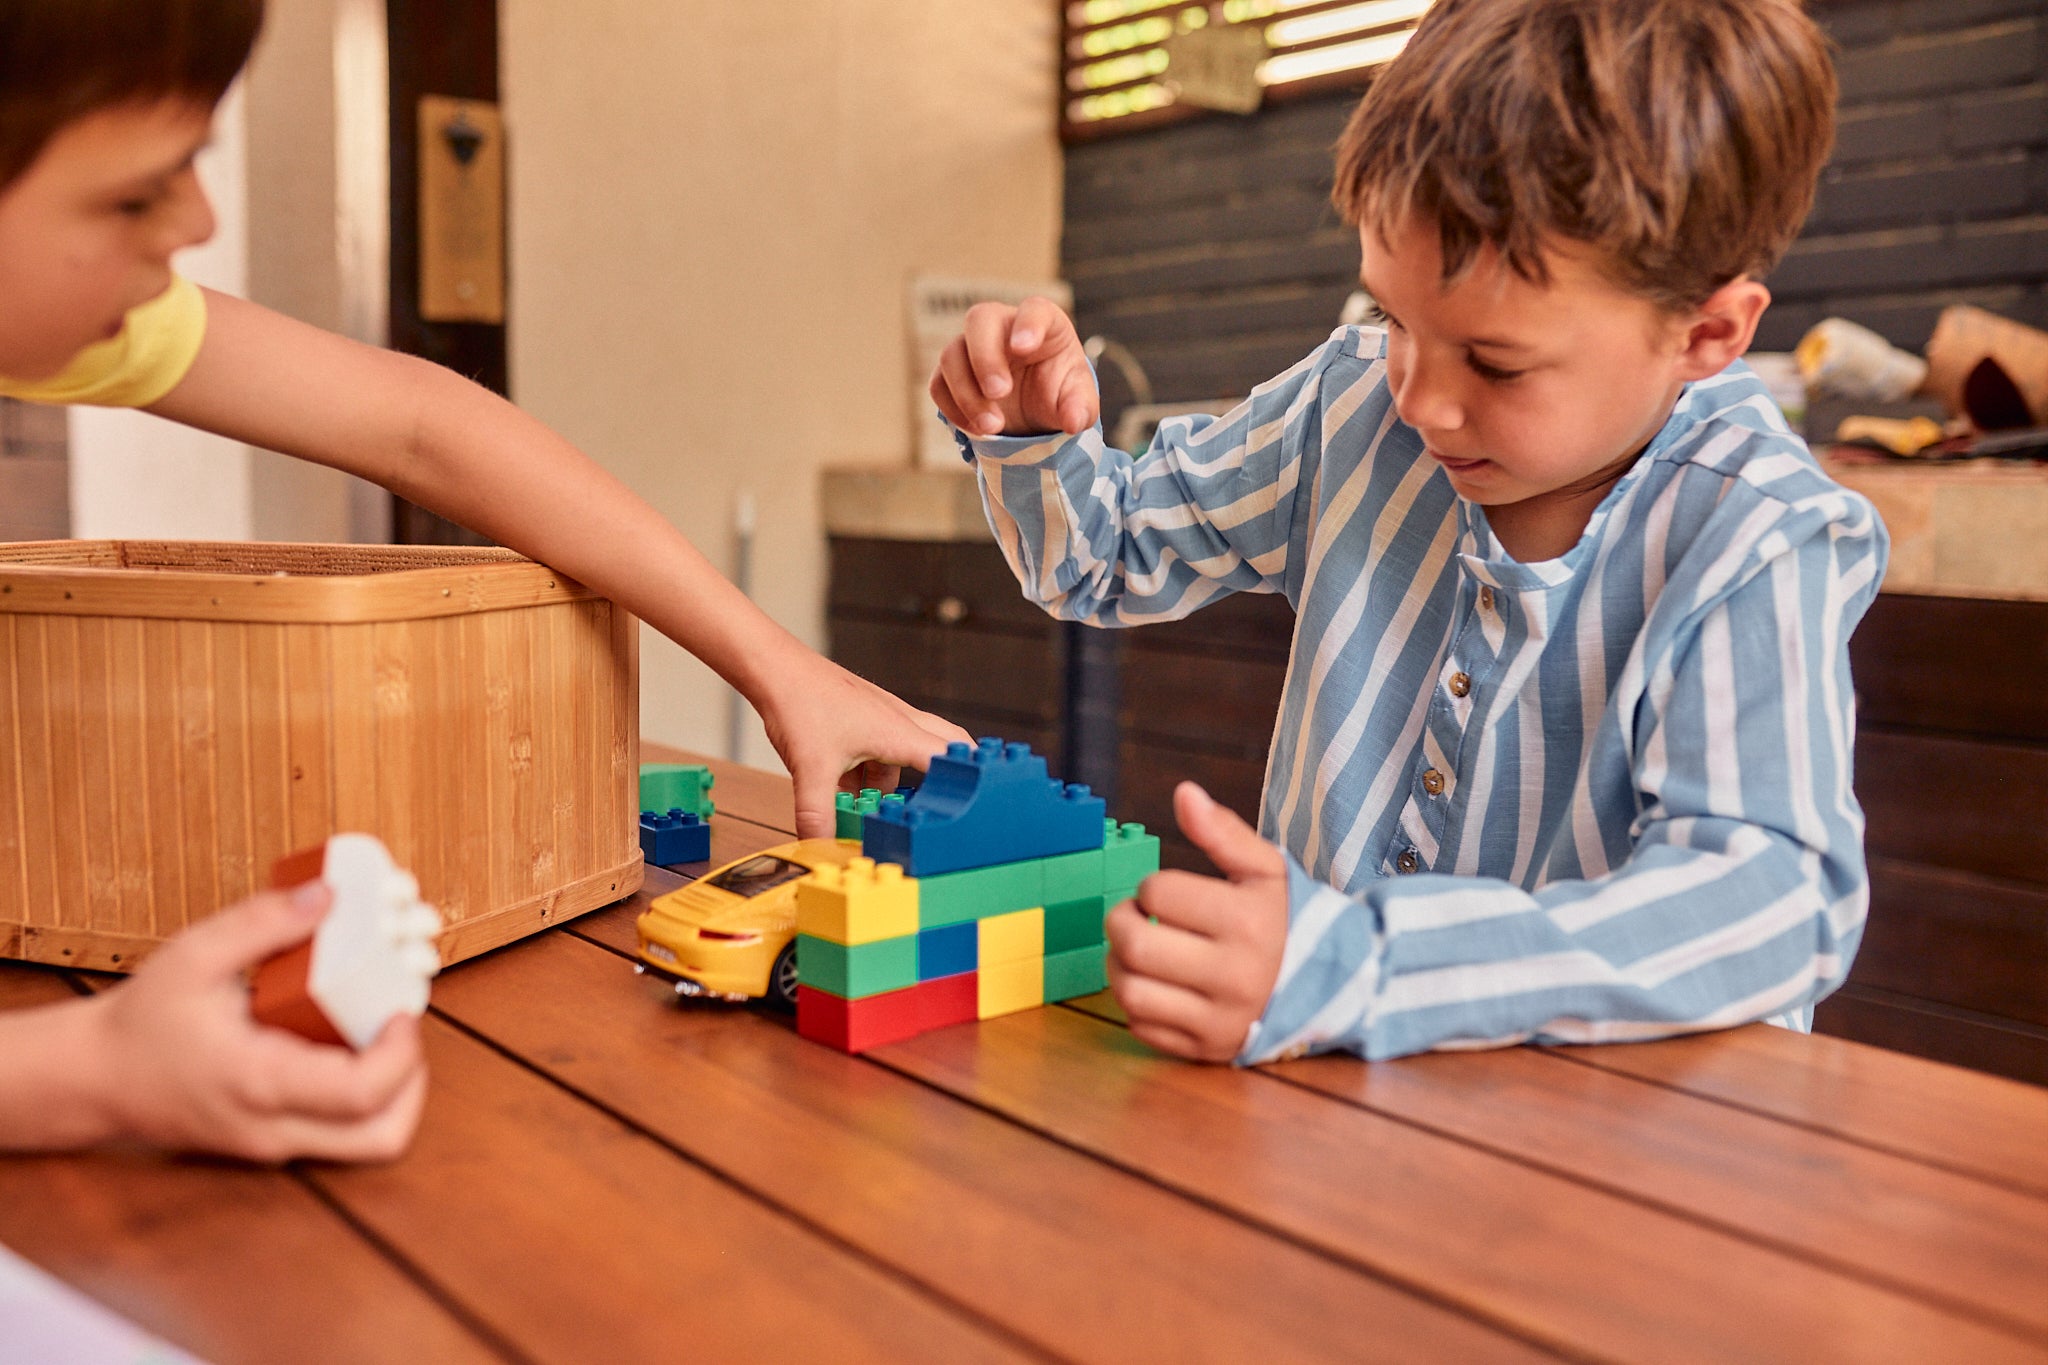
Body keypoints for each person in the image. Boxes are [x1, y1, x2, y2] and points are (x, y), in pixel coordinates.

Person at [0, 0, 965, 1159]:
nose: (197, 222)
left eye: (195, 164)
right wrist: (86, 1073)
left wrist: (781, 667)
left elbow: (425, 427)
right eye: (132, 195)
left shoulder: (94, 311)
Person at [931, 0, 1887, 1065]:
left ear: (1704, 333)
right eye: (1389, 317)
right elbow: (1097, 560)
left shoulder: (1751, 527)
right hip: (1328, 1140)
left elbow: (1772, 901)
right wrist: (1028, 438)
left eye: (1494, 362)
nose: (1419, 399)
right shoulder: (1350, 405)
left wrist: (1360, 965)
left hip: (1610, 1180)